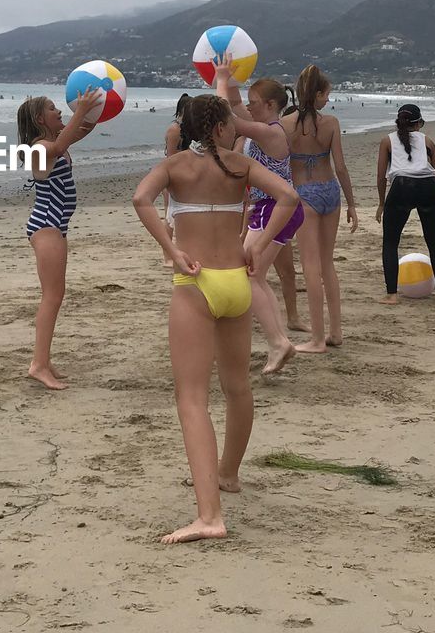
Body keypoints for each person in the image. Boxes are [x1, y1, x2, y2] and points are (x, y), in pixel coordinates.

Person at [132, 95, 298, 544]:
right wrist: (257, 246)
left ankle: (209, 516)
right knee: (237, 387)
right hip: (236, 283)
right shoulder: (238, 166)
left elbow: (140, 198)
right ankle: (227, 473)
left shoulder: (177, 165)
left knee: (191, 399)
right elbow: (288, 195)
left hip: (196, 283)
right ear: (221, 128)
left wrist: (171, 249)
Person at [213, 58, 302, 373]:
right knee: (258, 278)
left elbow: (228, 118)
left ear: (272, 105)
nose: (247, 107)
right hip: (269, 208)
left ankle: (278, 342)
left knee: (246, 276)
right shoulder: (261, 127)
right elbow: (234, 105)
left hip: (275, 208)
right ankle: (279, 341)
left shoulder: (271, 132)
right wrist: (231, 75)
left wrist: (222, 80)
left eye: (254, 104)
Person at [16, 89, 101, 390]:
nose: (60, 111)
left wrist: (94, 109)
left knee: (55, 295)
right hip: (47, 226)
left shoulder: (54, 143)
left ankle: (44, 360)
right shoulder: (40, 147)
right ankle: (38, 365)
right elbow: (65, 139)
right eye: (54, 109)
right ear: (41, 119)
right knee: (52, 297)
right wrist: (82, 111)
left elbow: (84, 128)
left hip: (56, 226)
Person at [283, 65, 357, 353]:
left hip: (303, 194)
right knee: (327, 265)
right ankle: (335, 331)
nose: (328, 99)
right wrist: (351, 202)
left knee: (310, 267)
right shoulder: (331, 123)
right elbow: (340, 166)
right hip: (330, 191)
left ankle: (317, 338)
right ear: (317, 94)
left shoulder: (285, 124)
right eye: (326, 94)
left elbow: (279, 163)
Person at [375, 104, 435, 304]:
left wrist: (382, 203)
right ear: (418, 123)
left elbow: (381, 176)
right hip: (428, 186)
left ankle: (392, 294)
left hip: (401, 185)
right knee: (434, 239)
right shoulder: (426, 139)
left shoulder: (387, 141)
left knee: (391, 242)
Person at [159, 93, 191, 268]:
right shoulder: (175, 129)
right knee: (170, 218)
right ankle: (167, 256)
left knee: (181, 216)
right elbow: (171, 156)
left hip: (186, 176)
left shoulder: (188, 128)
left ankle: (180, 251)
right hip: (172, 177)